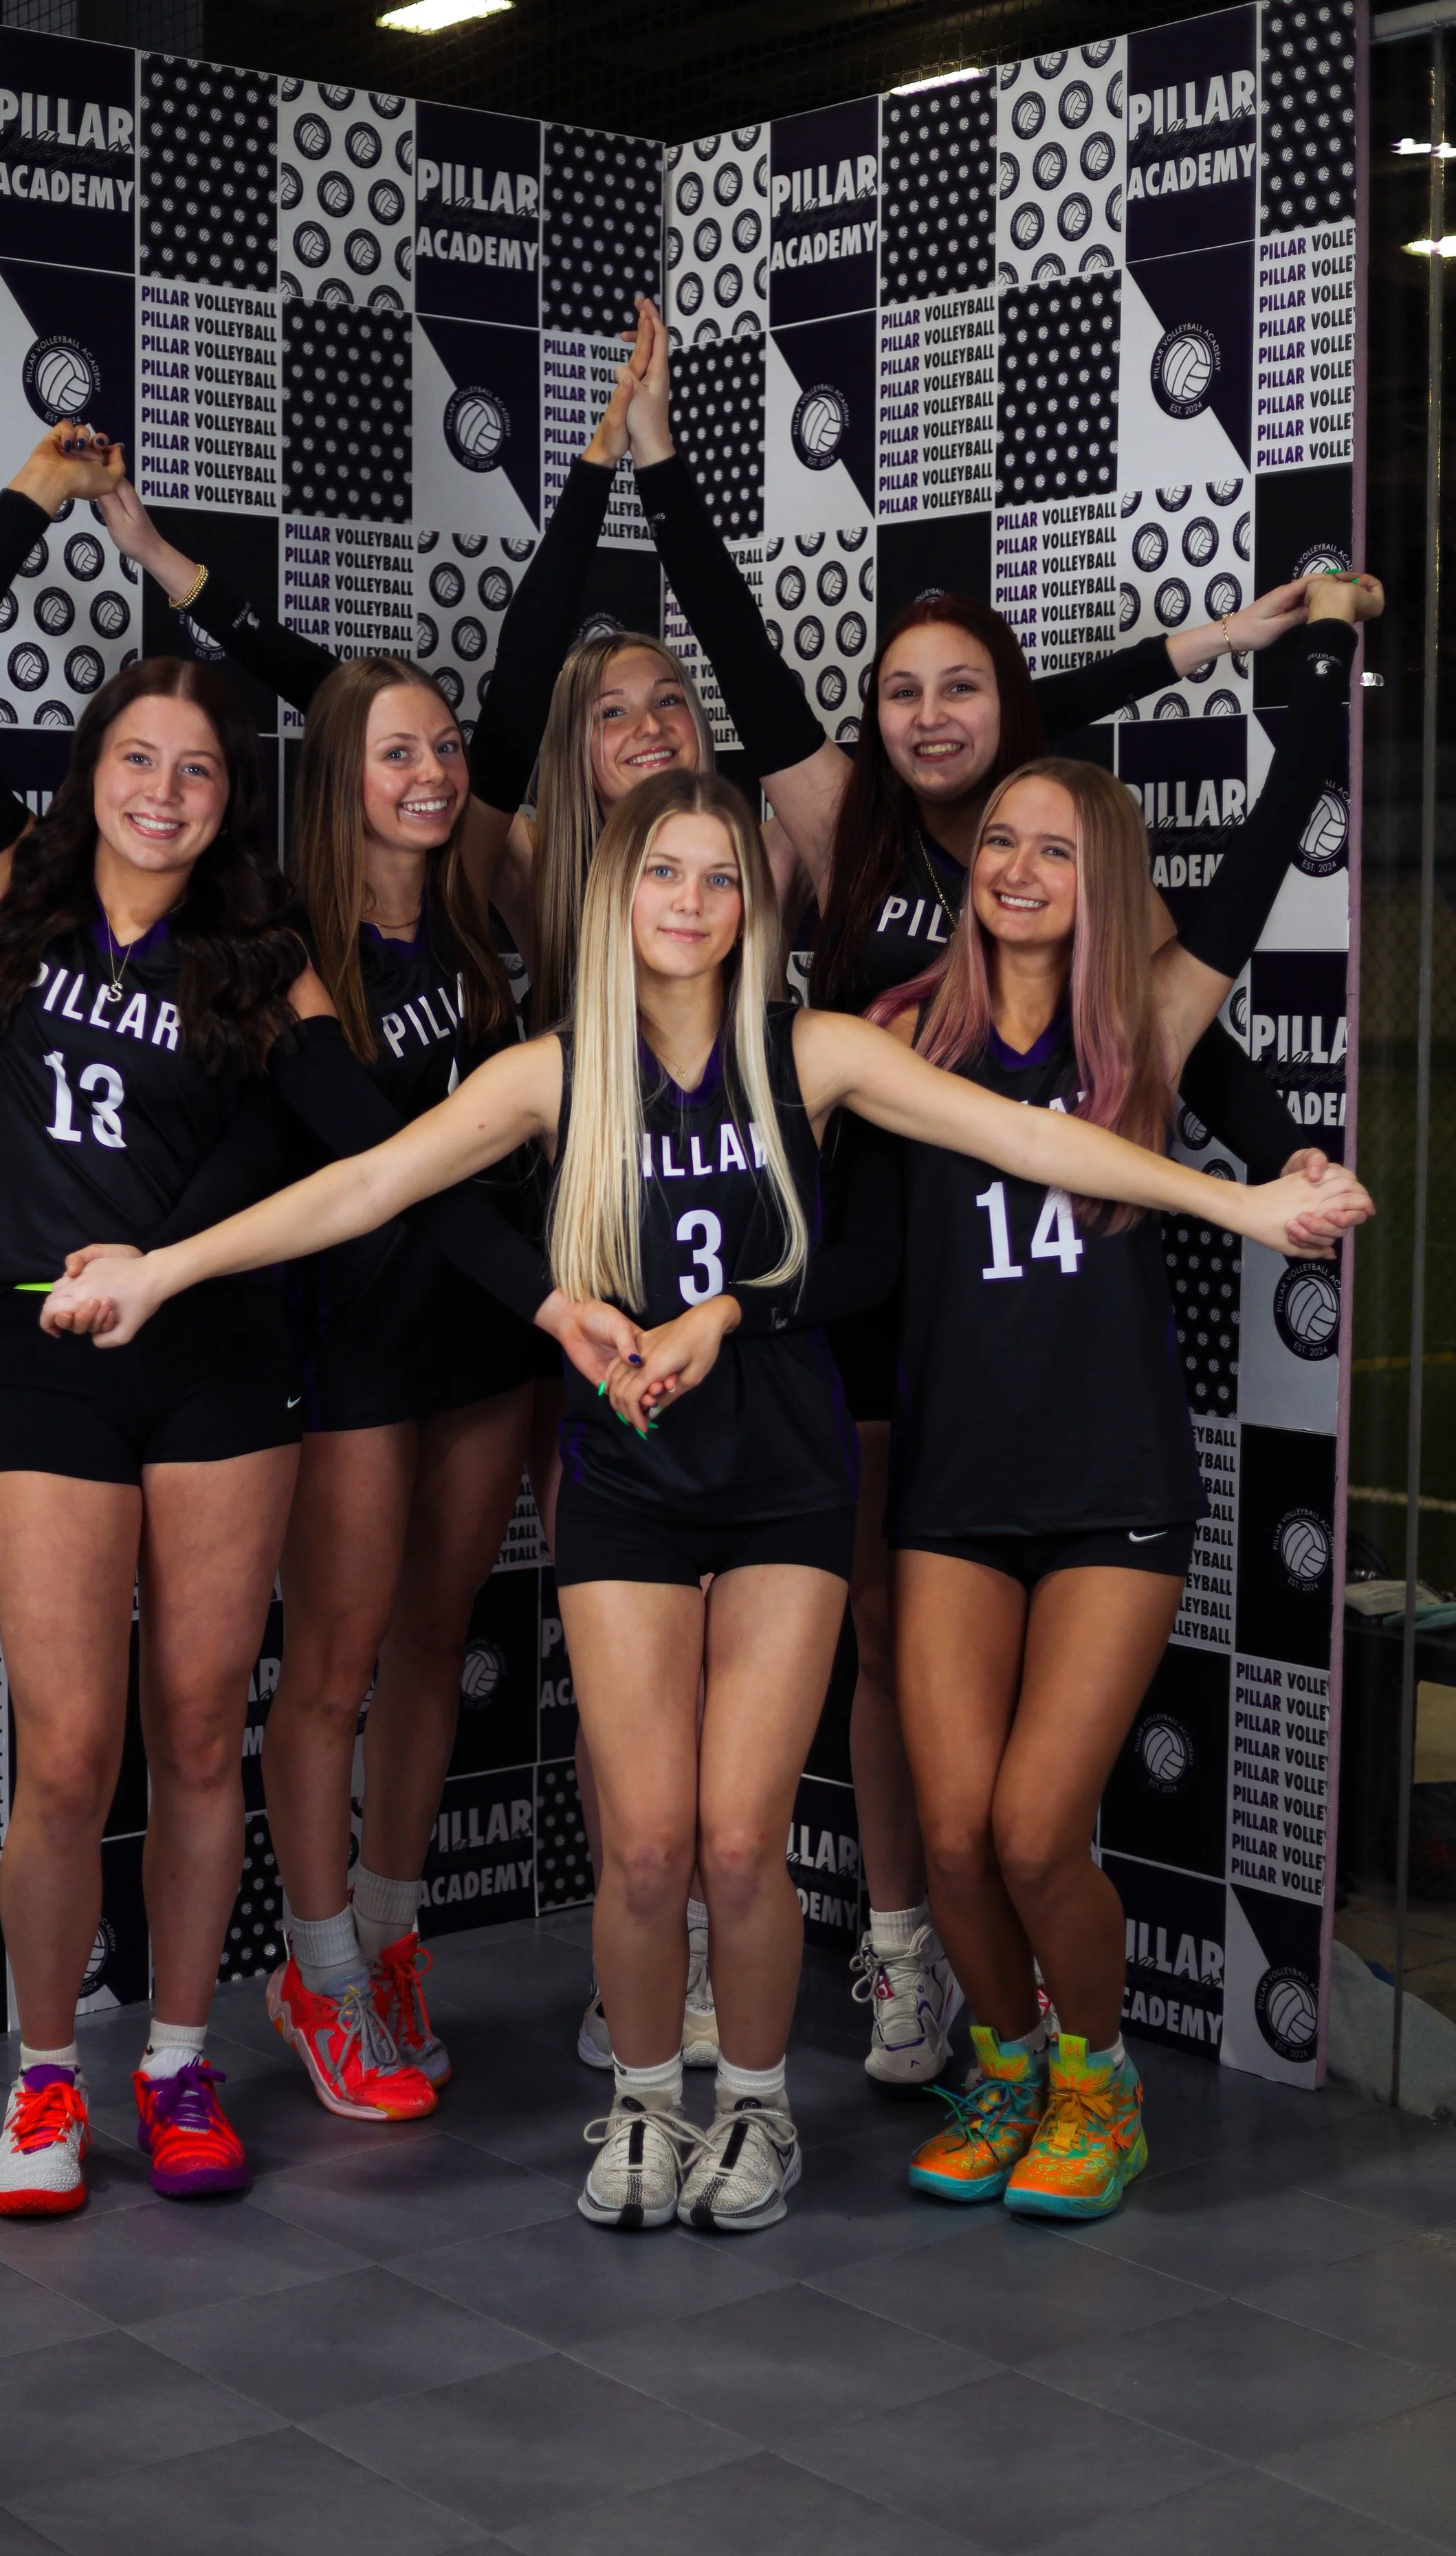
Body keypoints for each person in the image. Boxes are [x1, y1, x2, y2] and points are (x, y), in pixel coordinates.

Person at [39, 768, 1369, 2232]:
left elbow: (1030, 1137)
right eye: (663, 874)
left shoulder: (813, 1054)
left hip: (785, 1486)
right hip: (625, 1486)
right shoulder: (555, 1072)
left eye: (719, 879)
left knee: (739, 1841)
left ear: (753, 905)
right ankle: (639, 2107)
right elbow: (368, 1184)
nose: (688, 904)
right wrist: (156, 1271)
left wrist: (1243, 1203)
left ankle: (754, 2113)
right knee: (649, 1846)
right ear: (617, 894)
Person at [615, 294, 1382, 2091]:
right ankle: (912, 1970)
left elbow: (1180, 1009)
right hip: (877, 1319)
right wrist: (654, 469)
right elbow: (746, 663)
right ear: (875, 722)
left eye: (967, 695)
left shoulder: (1100, 941)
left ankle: (1042, 2045)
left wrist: (1278, 653)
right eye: (904, 690)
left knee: (1018, 1802)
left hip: (1067, 1398)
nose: (934, 719)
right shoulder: (864, 917)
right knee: (893, 1687)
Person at [0, 423, 625, 2215]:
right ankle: (48, 2073)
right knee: (72, 1749)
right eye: (136, 759)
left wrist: (544, 1297)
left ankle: (181, 2059)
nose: (164, 788)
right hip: (44, 1367)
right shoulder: (12, 895)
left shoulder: (265, 956)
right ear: (95, 776)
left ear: (234, 795)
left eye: (197, 767)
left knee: (205, 1723)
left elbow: (386, 1165)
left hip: (223, 1379)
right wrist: (39, 509)